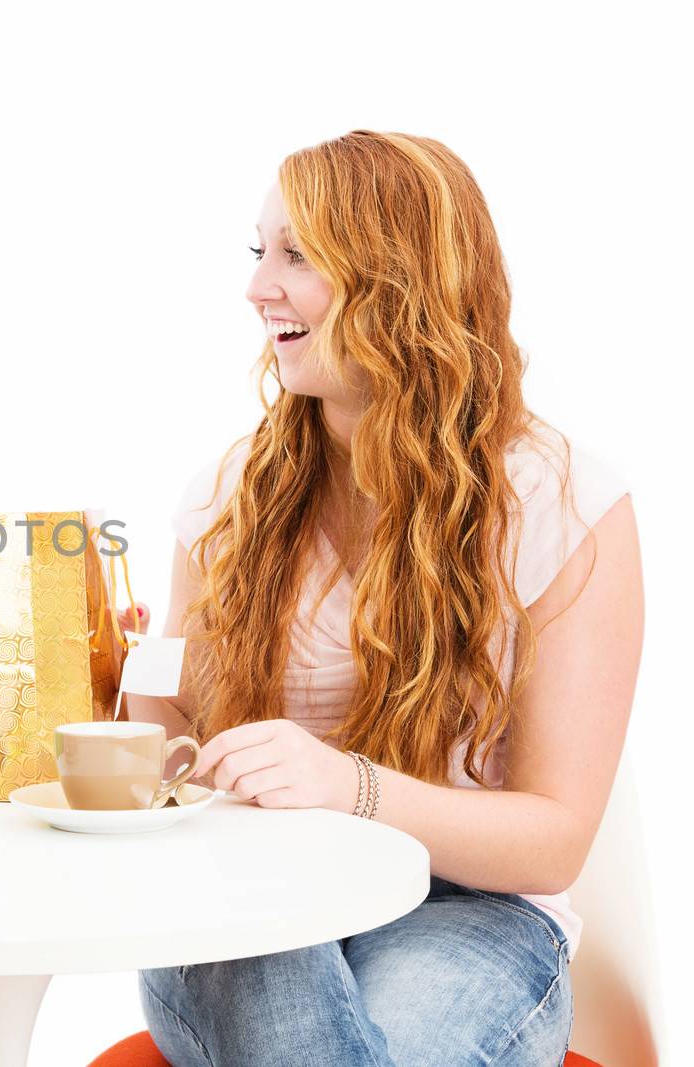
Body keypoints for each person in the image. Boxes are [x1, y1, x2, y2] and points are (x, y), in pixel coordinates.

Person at [122, 130, 642, 1066]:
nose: (256, 288)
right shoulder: (229, 495)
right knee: (280, 978)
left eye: (297, 255)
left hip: (466, 911)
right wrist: (118, 679)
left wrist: (346, 788)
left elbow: (555, 840)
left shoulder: (561, 503)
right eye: (259, 252)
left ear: (396, 278)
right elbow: (178, 759)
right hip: (253, 890)